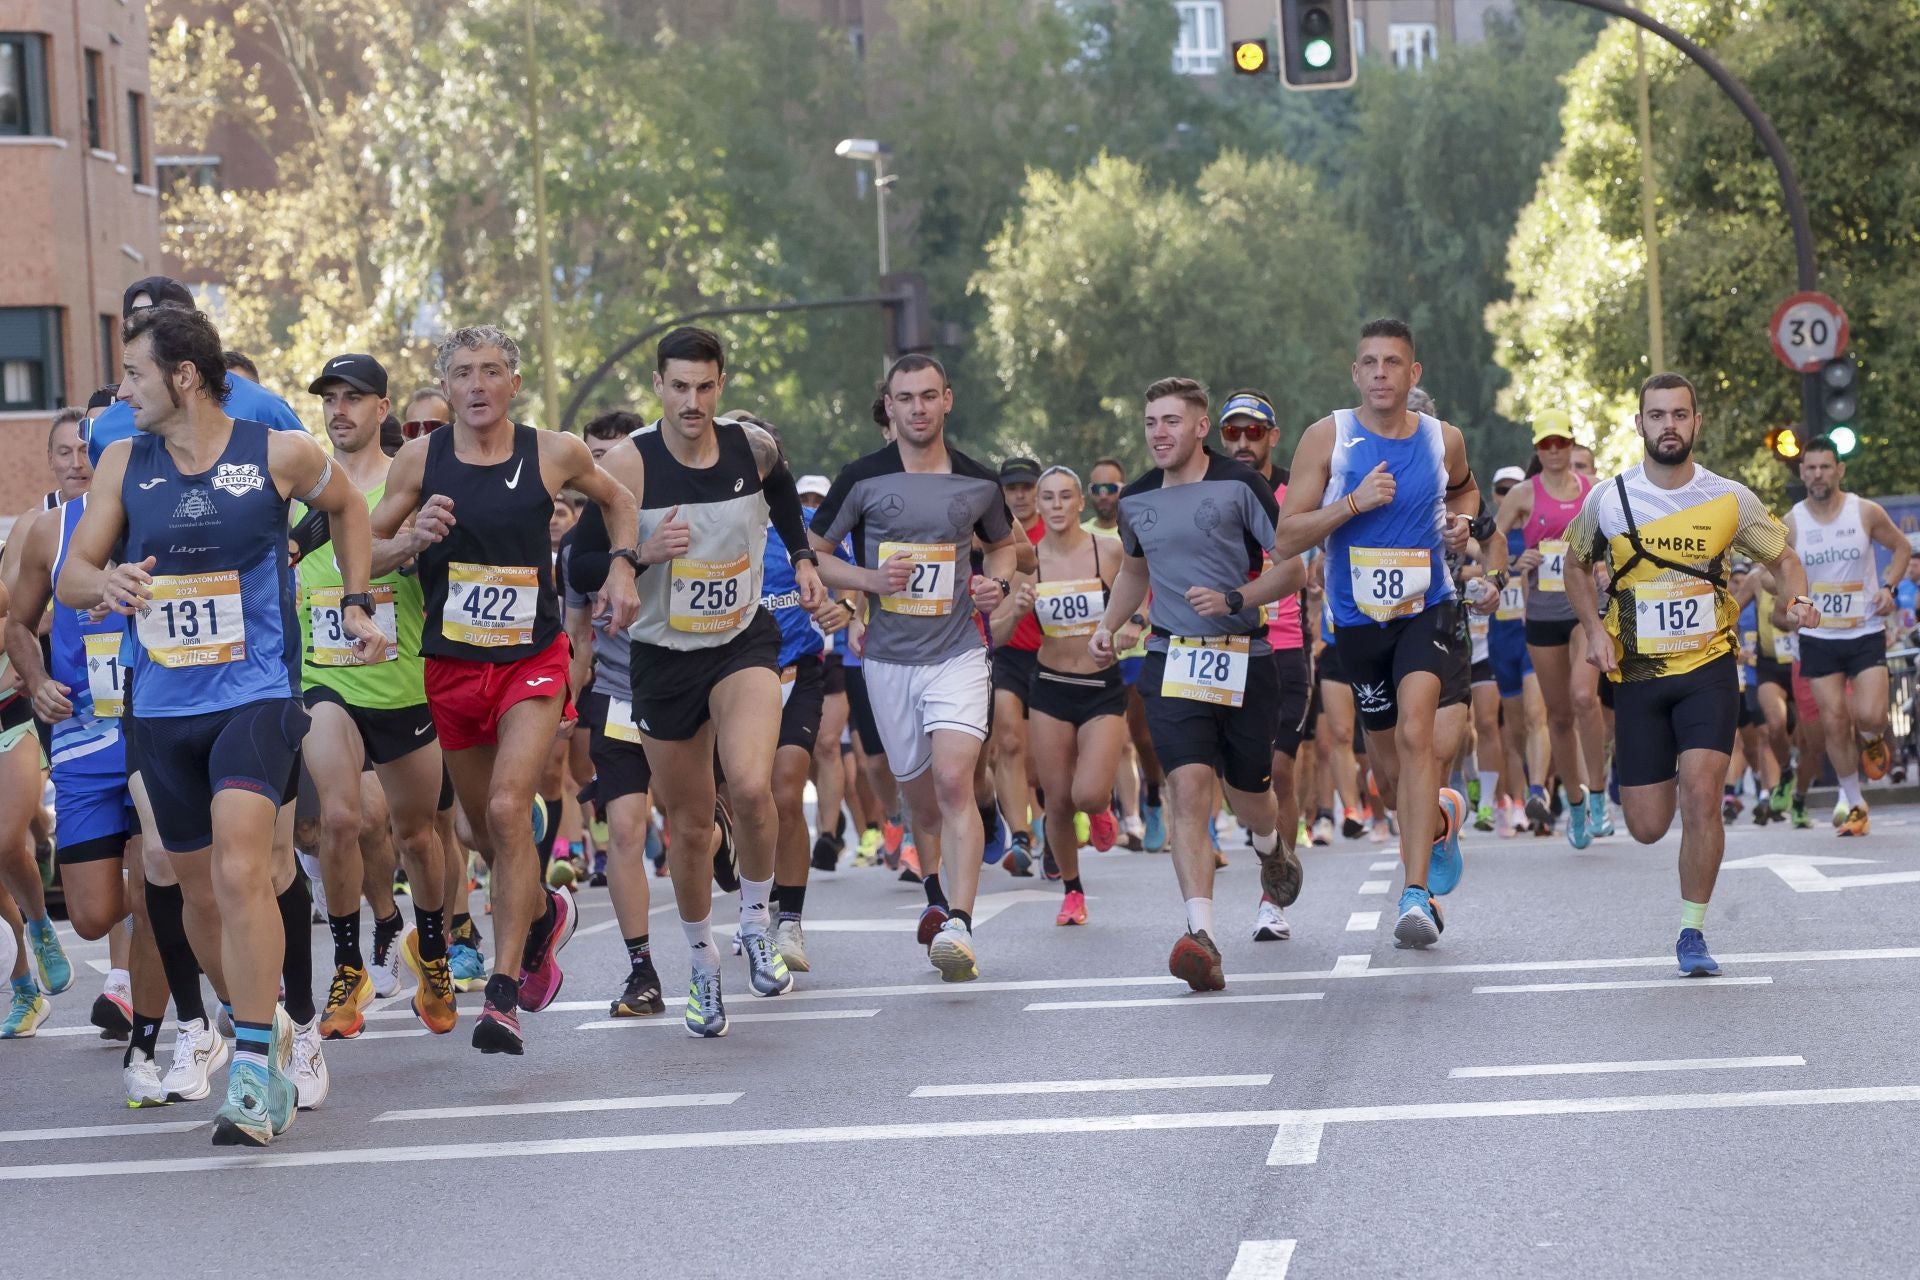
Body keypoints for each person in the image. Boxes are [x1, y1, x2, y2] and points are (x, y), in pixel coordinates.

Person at [58, 303, 384, 1145]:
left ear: (184, 376)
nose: (124, 389)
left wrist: (352, 599)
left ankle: (250, 1071)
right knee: (198, 890)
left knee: (243, 870)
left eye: (134, 373)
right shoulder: (123, 463)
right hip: (161, 709)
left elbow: (349, 509)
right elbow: (73, 576)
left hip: (256, 696)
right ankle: (262, 1027)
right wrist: (110, 585)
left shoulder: (277, 453)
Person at [369, 325, 640, 1055]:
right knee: (478, 832)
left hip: (533, 659)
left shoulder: (554, 451)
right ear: (448, 387)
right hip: (451, 666)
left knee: (506, 806)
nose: (479, 385)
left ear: (514, 384)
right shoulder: (420, 459)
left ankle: (502, 990)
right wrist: (412, 539)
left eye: (492, 371)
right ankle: (546, 912)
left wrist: (622, 568)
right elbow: (364, 546)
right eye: (464, 373)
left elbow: (619, 500)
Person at [582, 329, 822, 1036]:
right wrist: (637, 556)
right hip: (662, 656)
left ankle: (754, 921)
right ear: (658, 385)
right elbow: (585, 556)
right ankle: (699, 964)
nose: (692, 401)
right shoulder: (629, 463)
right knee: (689, 828)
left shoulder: (750, 447)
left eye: (705, 386)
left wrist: (803, 558)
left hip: (741, 640)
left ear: (721, 385)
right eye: (679, 387)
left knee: (751, 787)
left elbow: (780, 490)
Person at [1565, 373, 1819, 977]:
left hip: (1708, 667)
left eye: (1680, 414)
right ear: (1640, 425)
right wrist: (1595, 631)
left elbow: (1782, 556)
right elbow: (1576, 565)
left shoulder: (1729, 498)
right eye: (1658, 416)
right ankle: (1639, 786)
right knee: (1648, 826)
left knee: (1702, 794)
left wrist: (1798, 598)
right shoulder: (1608, 498)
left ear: (1696, 423)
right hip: (1639, 676)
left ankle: (1692, 933)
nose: (1669, 425)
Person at [809, 354, 1032, 982]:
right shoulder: (861, 479)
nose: (917, 408)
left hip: (959, 652)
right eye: (905, 398)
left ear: (947, 400)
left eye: (928, 396)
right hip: (888, 661)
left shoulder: (978, 481)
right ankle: (936, 895)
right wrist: (869, 580)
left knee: (955, 781)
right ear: (890, 405)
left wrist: (996, 584)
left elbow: (1004, 545)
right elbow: (817, 556)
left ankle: (959, 922)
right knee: (920, 801)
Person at [1091, 377, 1303, 990]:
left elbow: (1291, 567)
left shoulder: (1242, 485)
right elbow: (1135, 571)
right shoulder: (1135, 499)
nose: (1159, 432)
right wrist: (1111, 625)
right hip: (1172, 657)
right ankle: (1200, 935)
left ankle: (1269, 847)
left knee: (1248, 791)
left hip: (1245, 656)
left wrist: (1236, 597)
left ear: (1201, 427)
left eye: (1172, 421)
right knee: (1189, 790)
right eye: (1151, 421)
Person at [1275, 319, 1475, 950]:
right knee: (1388, 777)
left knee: (1420, 734)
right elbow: (1287, 537)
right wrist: (1353, 504)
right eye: (1370, 362)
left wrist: (1462, 526)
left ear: (1413, 375)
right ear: (1356, 374)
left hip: (1428, 609)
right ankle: (1437, 819)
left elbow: (1464, 493)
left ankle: (1414, 896)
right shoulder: (1327, 438)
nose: (1382, 373)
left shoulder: (1445, 440)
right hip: (1358, 625)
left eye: (1394, 362)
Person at [296, 353, 455, 1039]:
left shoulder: (410, 481)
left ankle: (434, 949)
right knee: (339, 818)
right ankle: (349, 962)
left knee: (416, 836)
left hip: (402, 678)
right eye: (330, 397)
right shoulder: (299, 489)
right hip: (324, 676)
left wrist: (413, 543)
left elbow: (419, 552)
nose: (340, 409)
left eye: (355, 397)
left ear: (382, 408)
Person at [996, 466, 1130, 926]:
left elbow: (1140, 601)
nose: (1054, 506)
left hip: (1100, 687)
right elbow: (997, 632)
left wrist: (1127, 629)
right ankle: (1073, 891)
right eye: (1047, 498)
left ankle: (1102, 809)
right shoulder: (1026, 561)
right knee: (1056, 800)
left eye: (1064, 497)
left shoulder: (1107, 551)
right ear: (1038, 502)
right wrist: (1014, 610)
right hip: (1050, 685)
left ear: (1080, 503)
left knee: (1088, 793)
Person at [563, 412, 662, 1017]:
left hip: (689, 692)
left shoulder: (677, 515)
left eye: (614, 458)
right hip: (620, 692)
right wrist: (566, 702)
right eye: (592, 460)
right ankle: (641, 969)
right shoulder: (576, 546)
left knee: (699, 824)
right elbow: (577, 636)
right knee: (625, 829)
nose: (604, 472)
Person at [1489, 409, 1613, 846]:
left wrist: (1607, 570)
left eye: (1561, 443)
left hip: (1586, 612)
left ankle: (1599, 796)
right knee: (1558, 717)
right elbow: (1491, 542)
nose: (1555, 451)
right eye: (1546, 445)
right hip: (1541, 614)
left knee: (1584, 698)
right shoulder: (1523, 494)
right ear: (1537, 449)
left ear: (1571, 443)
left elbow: (1621, 543)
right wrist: (1511, 566)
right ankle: (1575, 806)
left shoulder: (1595, 492)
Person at [1218, 389, 1313, 942]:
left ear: (1273, 437)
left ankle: (1272, 896)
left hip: (1283, 648)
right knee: (1235, 776)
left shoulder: (1292, 495)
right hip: (1222, 648)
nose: (1243, 442)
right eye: (1233, 432)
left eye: (1254, 432)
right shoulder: (1209, 491)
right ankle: (1266, 841)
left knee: (1280, 769)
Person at [1785, 437, 1910, 836]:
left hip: (1865, 629)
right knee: (1834, 721)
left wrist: (1888, 588)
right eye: (1811, 468)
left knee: (1870, 715)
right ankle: (1854, 800)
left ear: (1839, 470)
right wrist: (1793, 603)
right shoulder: (1792, 523)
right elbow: (1781, 571)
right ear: (1802, 472)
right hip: (1819, 636)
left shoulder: (1865, 511)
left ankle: (1873, 737)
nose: (1818, 474)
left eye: (1825, 467)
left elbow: (1902, 548)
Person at [85, 278, 305, 467]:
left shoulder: (263, 408)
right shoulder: (106, 431)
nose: (149, 335)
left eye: (163, 325)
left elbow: (318, 495)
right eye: (138, 326)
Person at [987, 457, 1046, 875]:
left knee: (1043, 757)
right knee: (1007, 742)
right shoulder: (992, 531)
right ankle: (1021, 836)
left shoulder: (1057, 529)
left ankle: (1051, 819)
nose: (1020, 494)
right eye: (1012, 488)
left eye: (1027, 486)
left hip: (1055, 655)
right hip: (1006, 651)